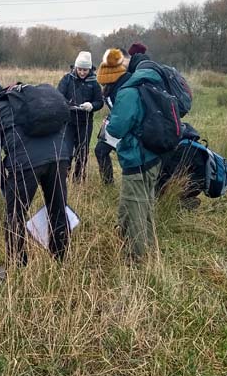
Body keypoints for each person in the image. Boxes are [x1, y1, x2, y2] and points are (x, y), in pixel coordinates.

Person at [0, 81, 72, 271]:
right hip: (59, 156)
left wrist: (4, 184)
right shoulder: (24, 102)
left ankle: (18, 265)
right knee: (58, 208)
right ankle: (61, 259)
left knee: (15, 215)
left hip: (25, 163)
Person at [106, 65, 164, 262]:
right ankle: (142, 242)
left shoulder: (128, 94)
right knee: (145, 203)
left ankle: (137, 256)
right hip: (155, 155)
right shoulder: (152, 87)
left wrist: (109, 122)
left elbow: (116, 129)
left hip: (136, 159)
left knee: (135, 207)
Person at [57, 51, 103, 182]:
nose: (82, 72)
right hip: (68, 121)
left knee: (82, 152)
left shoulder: (94, 83)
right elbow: (58, 95)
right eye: (80, 69)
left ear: (90, 69)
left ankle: (78, 180)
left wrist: (92, 105)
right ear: (75, 67)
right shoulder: (67, 79)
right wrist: (66, 104)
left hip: (85, 122)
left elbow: (100, 101)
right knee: (65, 150)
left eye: (85, 70)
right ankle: (63, 177)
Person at [94, 48, 131, 185]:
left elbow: (125, 110)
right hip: (115, 124)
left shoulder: (125, 83)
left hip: (126, 127)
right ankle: (108, 184)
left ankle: (130, 185)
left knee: (126, 156)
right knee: (100, 150)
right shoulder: (110, 86)